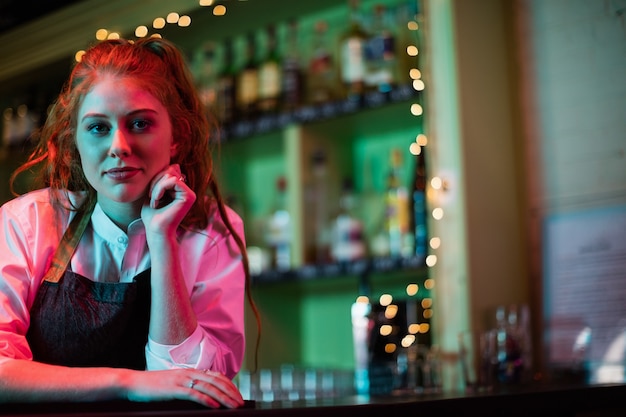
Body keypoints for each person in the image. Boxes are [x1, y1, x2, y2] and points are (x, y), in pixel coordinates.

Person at [0, 37, 258, 408]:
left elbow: (196, 386)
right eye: (98, 128)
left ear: (176, 137)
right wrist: (127, 382)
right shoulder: (27, 224)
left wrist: (162, 239)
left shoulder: (212, 230)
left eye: (139, 123)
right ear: (76, 141)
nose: (119, 145)